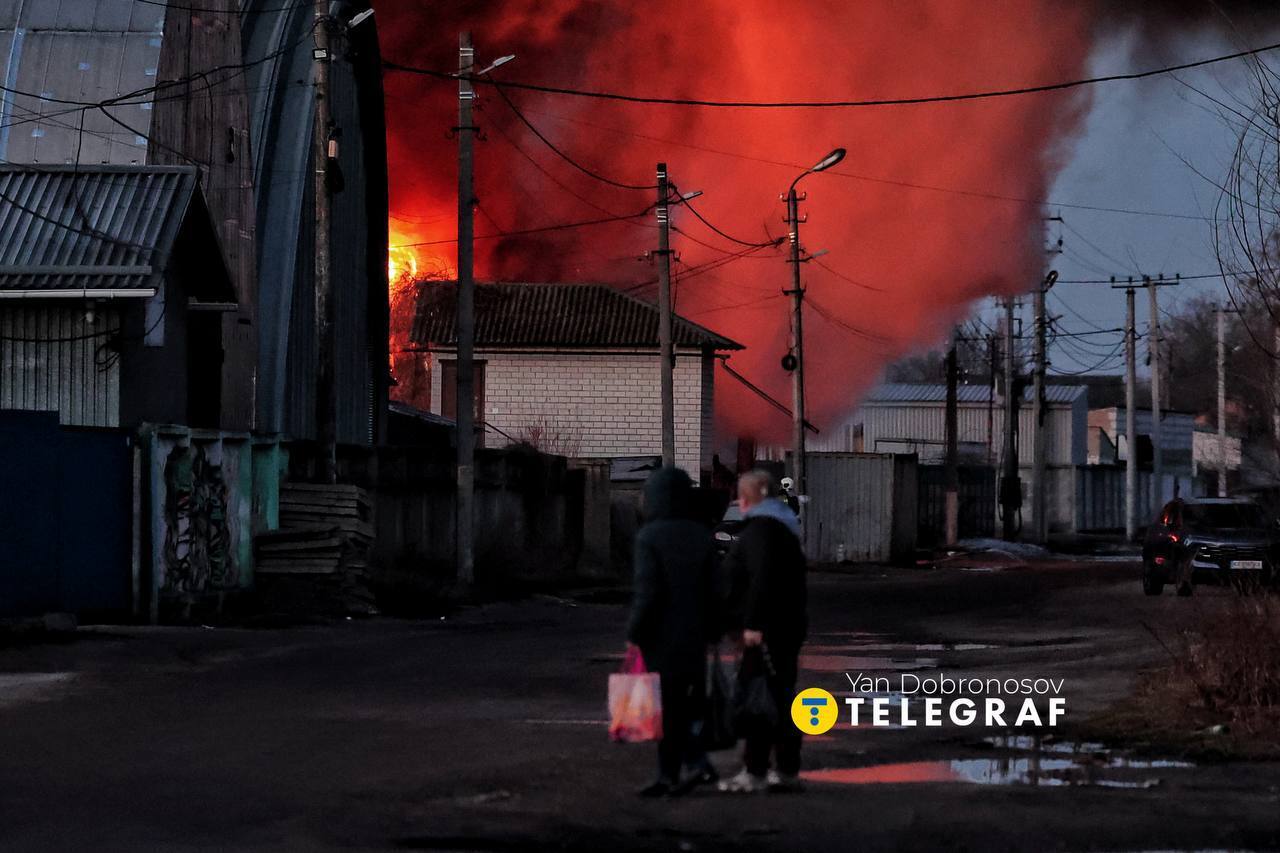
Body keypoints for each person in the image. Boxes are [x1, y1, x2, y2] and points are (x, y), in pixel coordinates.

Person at [626, 466, 721, 797]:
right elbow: (715, 590)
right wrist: (714, 630)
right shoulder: (701, 535)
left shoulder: (649, 537)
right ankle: (693, 765)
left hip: (660, 639)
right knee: (687, 704)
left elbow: (648, 592)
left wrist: (634, 631)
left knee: (666, 708)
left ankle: (673, 772)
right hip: (695, 639)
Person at [720, 469, 808, 793]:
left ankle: (756, 771)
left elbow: (762, 579)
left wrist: (753, 624)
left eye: (741, 497)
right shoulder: (783, 525)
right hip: (786, 626)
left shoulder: (763, 531)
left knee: (760, 699)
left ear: (750, 499)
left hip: (766, 631)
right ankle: (785, 769)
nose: (739, 503)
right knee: (780, 695)